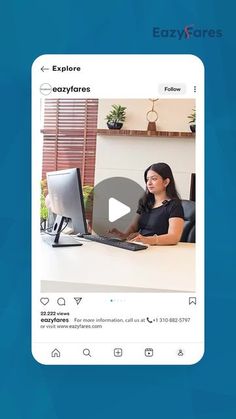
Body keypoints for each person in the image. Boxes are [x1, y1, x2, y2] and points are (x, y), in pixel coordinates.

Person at [109, 162, 184, 245]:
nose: (149, 183)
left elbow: (174, 237)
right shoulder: (145, 201)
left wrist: (147, 240)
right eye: (147, 179)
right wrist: (123, 235)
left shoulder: (174, 205)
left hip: (160, 250)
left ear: (166, 182)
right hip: (141, 246)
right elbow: (133, 227)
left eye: (154, 179)